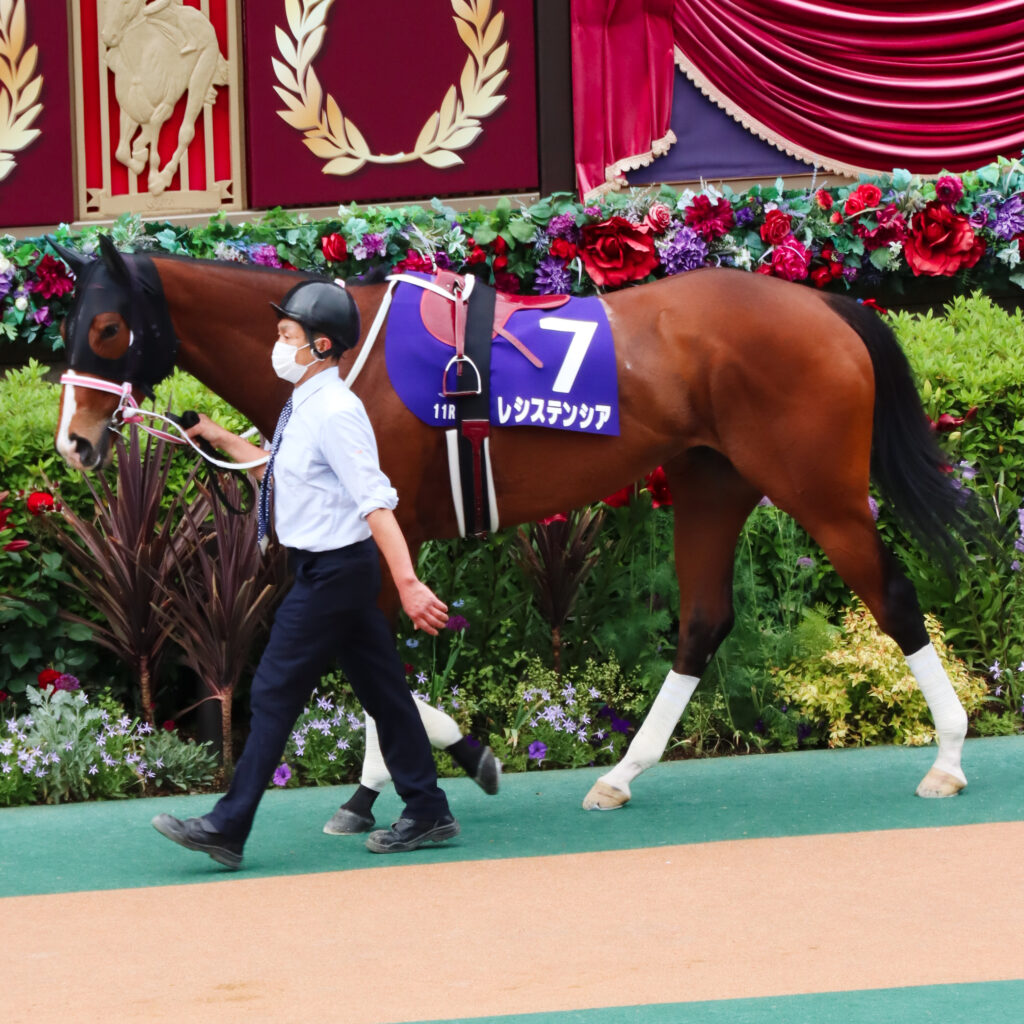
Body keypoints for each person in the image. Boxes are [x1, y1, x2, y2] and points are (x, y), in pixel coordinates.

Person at [152, 279, 462, 867]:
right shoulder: (303, 401)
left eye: (286, 334)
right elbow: (276, 471)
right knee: (384, 692)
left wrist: (407, 583)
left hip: (335, 573)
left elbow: (375, 503)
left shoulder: (337, 411)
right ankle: (428, 810)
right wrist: (213, 434)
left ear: (321, 345)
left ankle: (227, 826)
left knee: (273, 688)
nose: (277, 344)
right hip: (328, 569)